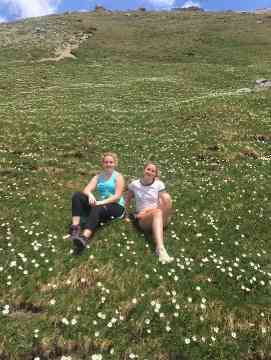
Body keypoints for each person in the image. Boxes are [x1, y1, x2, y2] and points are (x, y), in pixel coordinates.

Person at [70, 152, 125, 253]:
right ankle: (75, 228)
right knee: (77, 196)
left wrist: (100, 202)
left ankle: (84, 238)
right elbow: (86, 189)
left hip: (117, 206)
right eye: (106, 162)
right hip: (102, 204)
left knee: (97, 207)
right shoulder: (98, 176)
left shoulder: (118, 176)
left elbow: (117, 196)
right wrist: (90, 194)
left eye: (111, 162)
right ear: (102, 163)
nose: (108, 164)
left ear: (115, 163)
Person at [125, 161, 173, 263]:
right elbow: (127, 200)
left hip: (159, 216)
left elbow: (164, 202)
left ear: (155, 174)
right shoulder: (135, 184)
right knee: (157, 213)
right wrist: (126, 215)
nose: (150, 172)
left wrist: (147, 210)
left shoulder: (159, 184)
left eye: (153, 171)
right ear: (144, 170)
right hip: (144, 219)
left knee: (167, 198)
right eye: (148, 169)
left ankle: (159, 229)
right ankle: (160, 249)